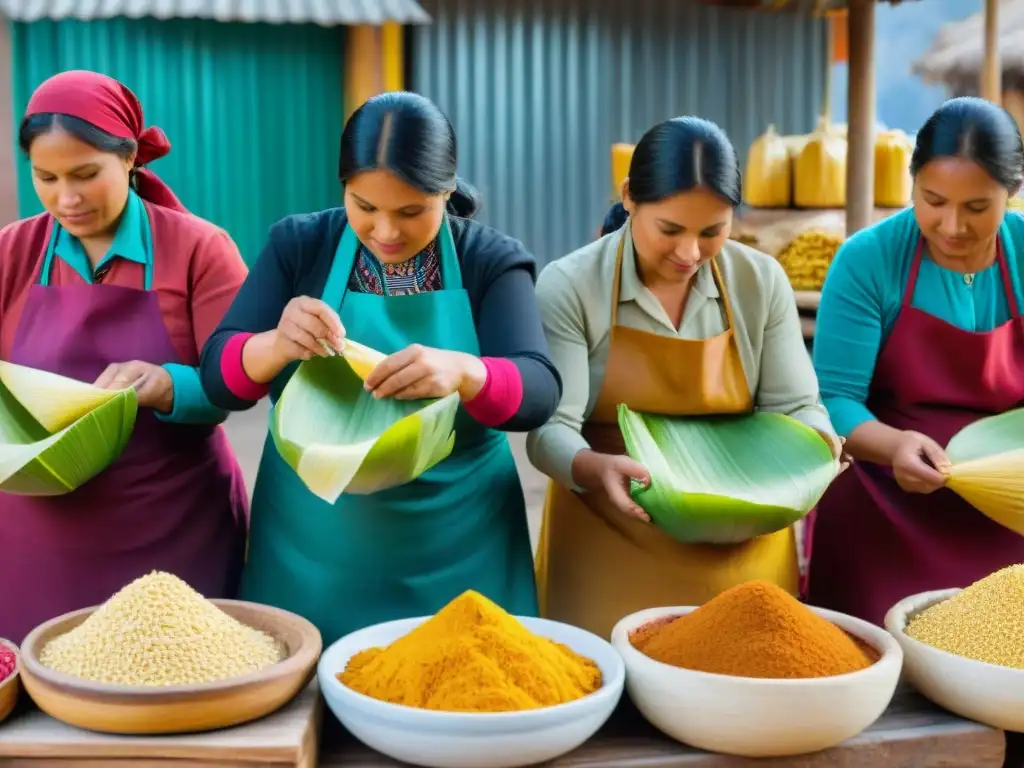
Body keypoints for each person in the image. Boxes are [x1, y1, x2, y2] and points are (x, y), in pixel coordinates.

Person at [199, 91, 561, 645]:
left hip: (459, 546)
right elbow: (219, 380)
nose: (386, 231)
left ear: (446, 191)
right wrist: (273, 344)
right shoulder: (300, 244)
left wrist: (469, 373)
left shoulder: (489, 259)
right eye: (364, 207)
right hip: (314, 547)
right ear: (343, 187)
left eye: (412, 211)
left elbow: (537, 389)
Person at [527, 116, 841, 639]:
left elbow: (797, 405)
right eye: (669, 230)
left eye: (713, 231)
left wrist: (819, 439)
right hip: (612, 529)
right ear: (629, 197)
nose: (689, 253)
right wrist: (590, 465)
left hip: (745, 547)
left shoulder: (759, 281)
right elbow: (549, 429)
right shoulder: (570, 285)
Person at [0, 71, 249, 643]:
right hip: (39, 541)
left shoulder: (198, 249)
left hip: (171, 529)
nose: (67, 197)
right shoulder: (13, 252)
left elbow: (238, 381)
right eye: (47, 177)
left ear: (130, 157)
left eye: (86, 175)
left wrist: (169, 384)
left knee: (172, 690)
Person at [807, 97, 1024, 626]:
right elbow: (832, 400)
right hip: (885, 505)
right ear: (911, 184)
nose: (951, 225)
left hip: (1006, 512)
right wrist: (895, 445)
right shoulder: (868, 260)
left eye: (977, 208)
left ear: (1011, 194)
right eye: (933, 200)